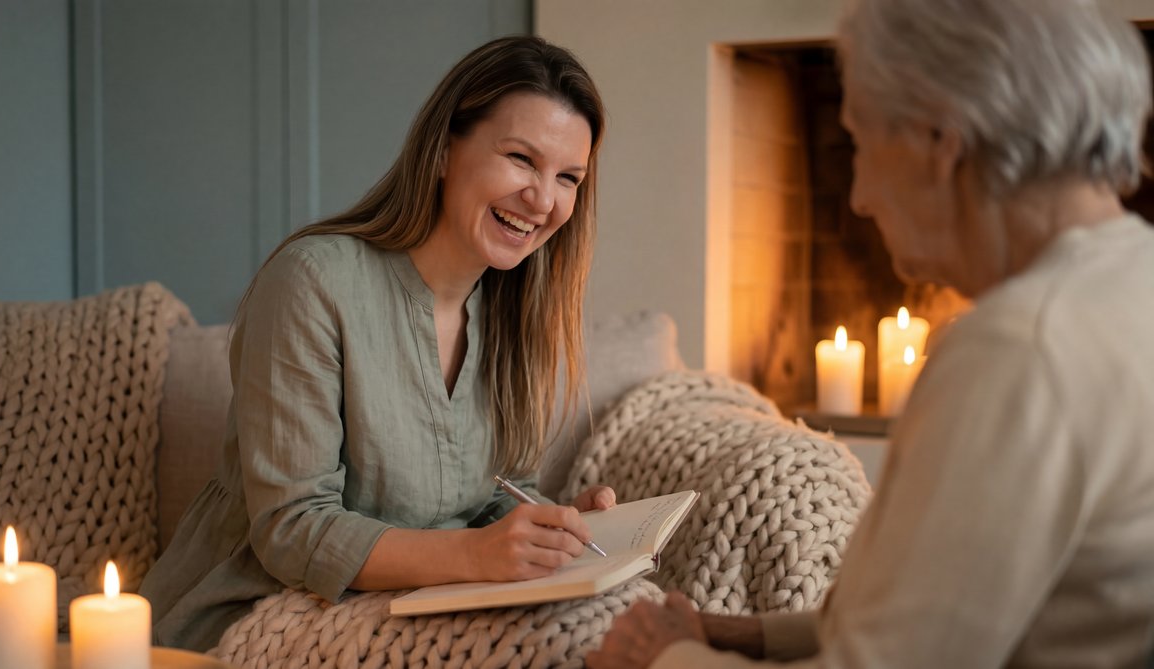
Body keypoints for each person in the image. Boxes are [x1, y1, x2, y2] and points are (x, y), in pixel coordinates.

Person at [588, 0, 1154, 666]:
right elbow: (953, 613)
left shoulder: (1019, 348)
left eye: (858, 141)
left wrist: (665, 655)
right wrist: (746, 633)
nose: (858, 195)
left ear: (938, 141)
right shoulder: (1130, 278)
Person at [140, 35, 616, 652]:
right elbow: (291, 530)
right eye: (522, 159)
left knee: (614, 616)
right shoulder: (313, 281)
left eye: (568, 177)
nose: (544, 200)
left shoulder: (512, 310)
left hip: (421, 604)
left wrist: (552, 529)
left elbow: (493, 499)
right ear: (445, 149)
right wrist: (476, 555)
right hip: (259, 612)